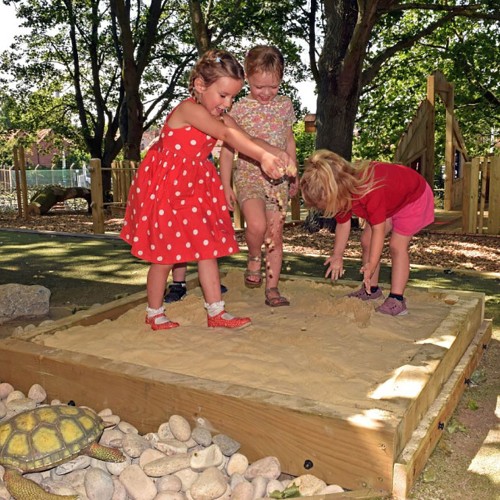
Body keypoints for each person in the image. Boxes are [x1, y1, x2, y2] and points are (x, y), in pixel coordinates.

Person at [120, 49, 292, 331]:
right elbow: (226, 135)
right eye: (223, 95)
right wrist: (262, 158)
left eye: (233, 97)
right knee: (164, 255)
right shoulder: (189, 110)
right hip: (167, 188)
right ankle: (154, 312)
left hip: (196, 186)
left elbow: (244, 136)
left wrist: (275, 152)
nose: (228, 103)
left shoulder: (219, 113)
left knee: (207, 248)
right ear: (200, 85)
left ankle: (216, 312)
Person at [299, 149, 434, 316]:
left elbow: (379, 230)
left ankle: (397, 299)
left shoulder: (369, 189)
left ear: (335, 191)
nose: (327, 210)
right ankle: (372, 290)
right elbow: (343, 225)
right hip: (392, 201)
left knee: (396, 246)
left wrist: (371, 263)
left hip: (414, 197)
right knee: (366, 241)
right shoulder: (342, 194)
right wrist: (337, 255)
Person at [219, 45, 298, 307]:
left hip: (278, 180)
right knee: (256, 225)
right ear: (248, 81)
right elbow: (229, 150)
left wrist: (293, 172)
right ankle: (254, 256)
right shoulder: (238, 109)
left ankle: (272, 287)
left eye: (272, 87)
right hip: (249, 175)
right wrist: (226, 184)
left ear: (281, 79)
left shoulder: (285, 106)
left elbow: (289, 140)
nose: (265, 93)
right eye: (258, 87)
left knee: (275, 235)